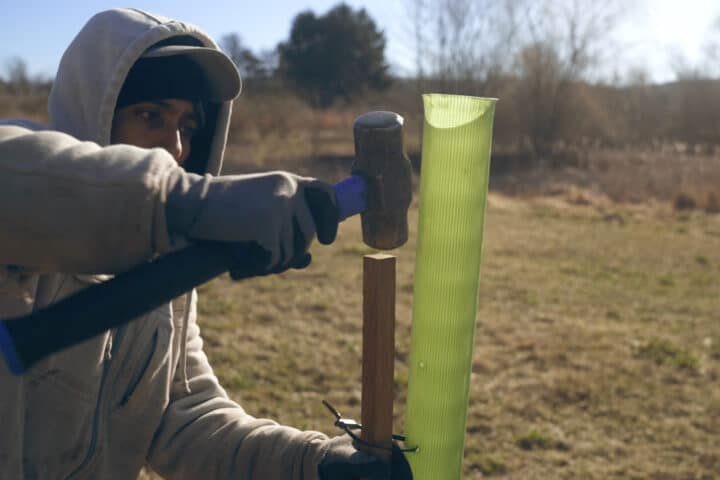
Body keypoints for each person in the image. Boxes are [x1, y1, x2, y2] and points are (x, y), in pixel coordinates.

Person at [0, 8, 398, 480]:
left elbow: (185, 417)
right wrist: (188, 205)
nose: (176, 148)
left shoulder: (168, 276)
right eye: (150, 115)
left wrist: (312, 464)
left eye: (187, 127)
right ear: (95, 112)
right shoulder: (26, 201)